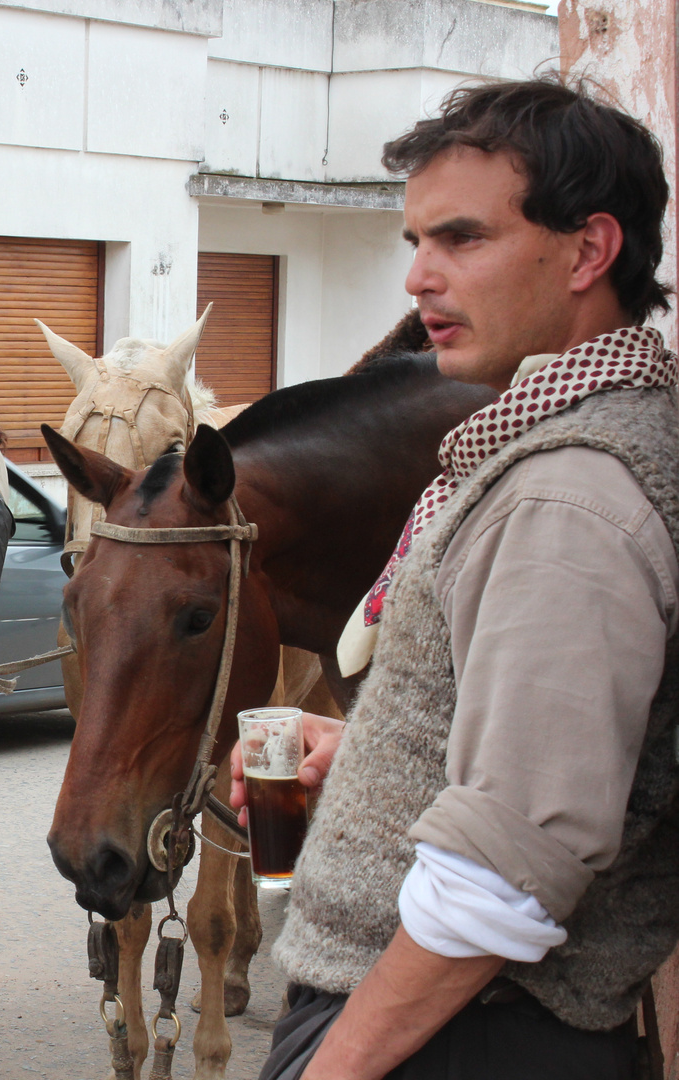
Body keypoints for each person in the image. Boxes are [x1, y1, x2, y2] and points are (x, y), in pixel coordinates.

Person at [231, 77, 679, 1080]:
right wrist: (372, 752)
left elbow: (511, 867)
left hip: (460, 1035)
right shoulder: (564, 444)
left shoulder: (567, 497)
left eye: (461, 239)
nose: (419, 279)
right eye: (414, 244)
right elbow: (546, 747)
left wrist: (334, 1069)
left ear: (589, 250)